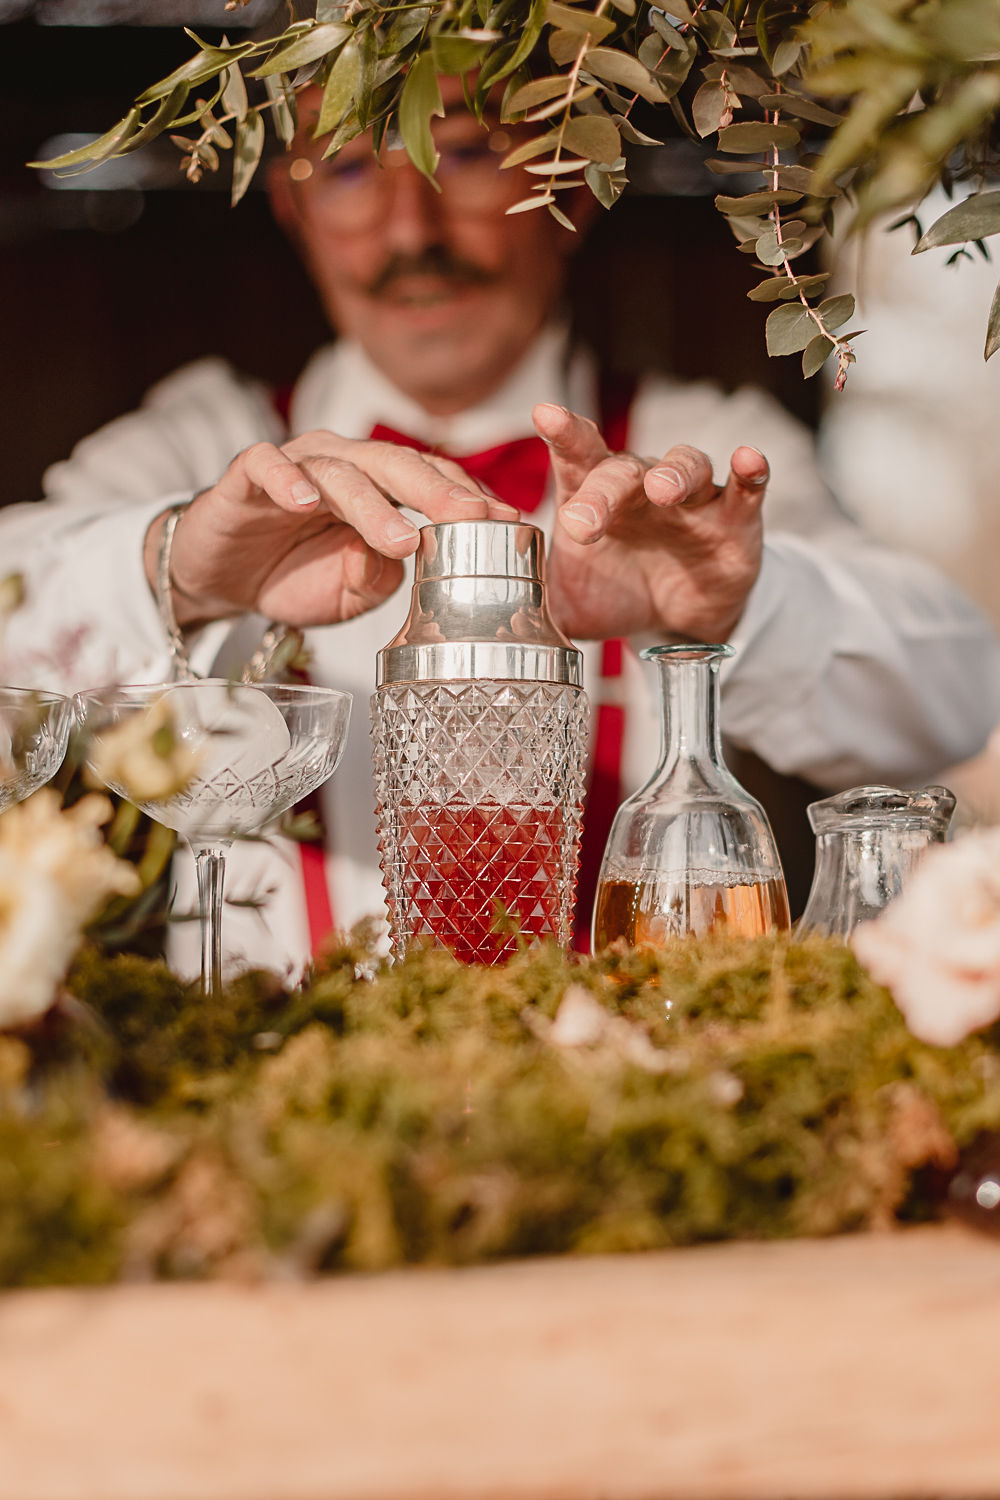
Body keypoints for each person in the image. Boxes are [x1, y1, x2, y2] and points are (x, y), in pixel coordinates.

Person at [4, 77, 999, 977]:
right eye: (350, 166)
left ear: (568, 186)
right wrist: (175, 564)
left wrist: (746, 605)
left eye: (466, 153)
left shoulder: (693, 449)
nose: (410, 233)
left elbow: (956, 700)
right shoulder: (203, 448)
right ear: (292, 210)